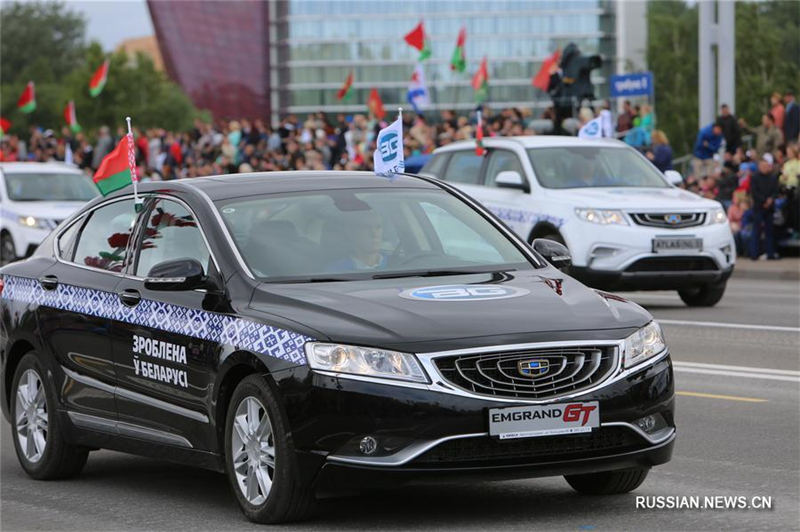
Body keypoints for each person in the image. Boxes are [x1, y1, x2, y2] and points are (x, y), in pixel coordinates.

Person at [749, 153, 780, 260]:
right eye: (763, 166)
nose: (765, 168)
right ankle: (754, 253)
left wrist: (771, 199)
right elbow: (754, 192)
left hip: (769, 208)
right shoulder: (755, 177)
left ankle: (770, 253)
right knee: (756, 231)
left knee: (769, 231)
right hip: (758, 207)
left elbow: (776, 191)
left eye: (767, 166)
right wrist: (764, 200)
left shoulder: (773, 178)